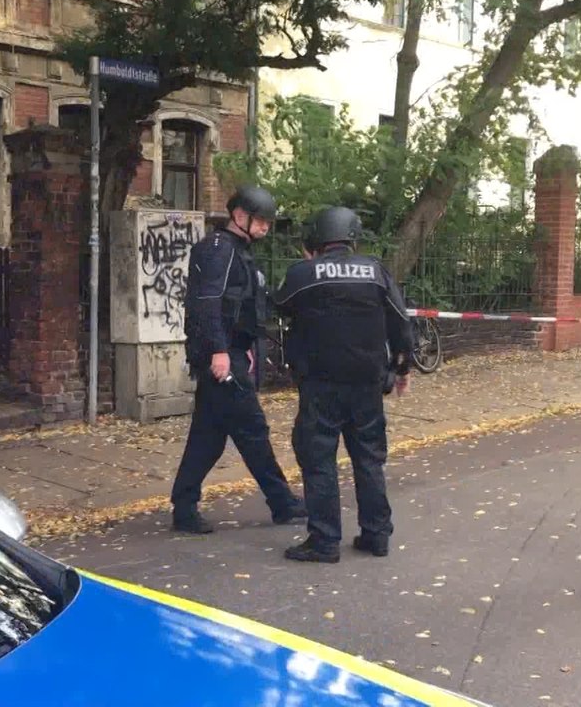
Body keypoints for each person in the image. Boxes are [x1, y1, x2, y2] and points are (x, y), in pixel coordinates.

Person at [272, 206, 415, 563]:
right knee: (368, 459)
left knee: (319, 460)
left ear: (315, 239)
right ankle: (377, 535)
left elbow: (278, 307)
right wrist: (403, 367)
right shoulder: (375, 272)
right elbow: (400, 320)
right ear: (351, 236)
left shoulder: (303, 274)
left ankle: (324, 540)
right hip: (367, 384)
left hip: (320, 385)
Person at [170, 185, 306, 534]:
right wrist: (219, 351)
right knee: (253, 430)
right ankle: (282, 503)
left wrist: (241, 346)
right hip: (222, 357)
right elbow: (207, 302)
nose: (266, 228)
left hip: (230, 352)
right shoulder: (219, 249)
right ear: (240, 216)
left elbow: (241, 305)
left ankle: (183, 506)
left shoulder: (237, 251)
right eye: (261, 221)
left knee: (208, 437)